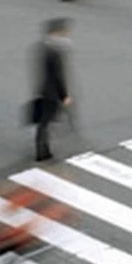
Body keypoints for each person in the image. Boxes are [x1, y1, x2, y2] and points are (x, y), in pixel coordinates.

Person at [32, 18, 74, 161]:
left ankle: (43, 149)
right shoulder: (55, 52)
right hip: (52, 92)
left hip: (44, 89)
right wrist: (64, 95)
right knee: (45, 122)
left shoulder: (43, 47)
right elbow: (59, 75)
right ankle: (42, 151)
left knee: (44, 122)